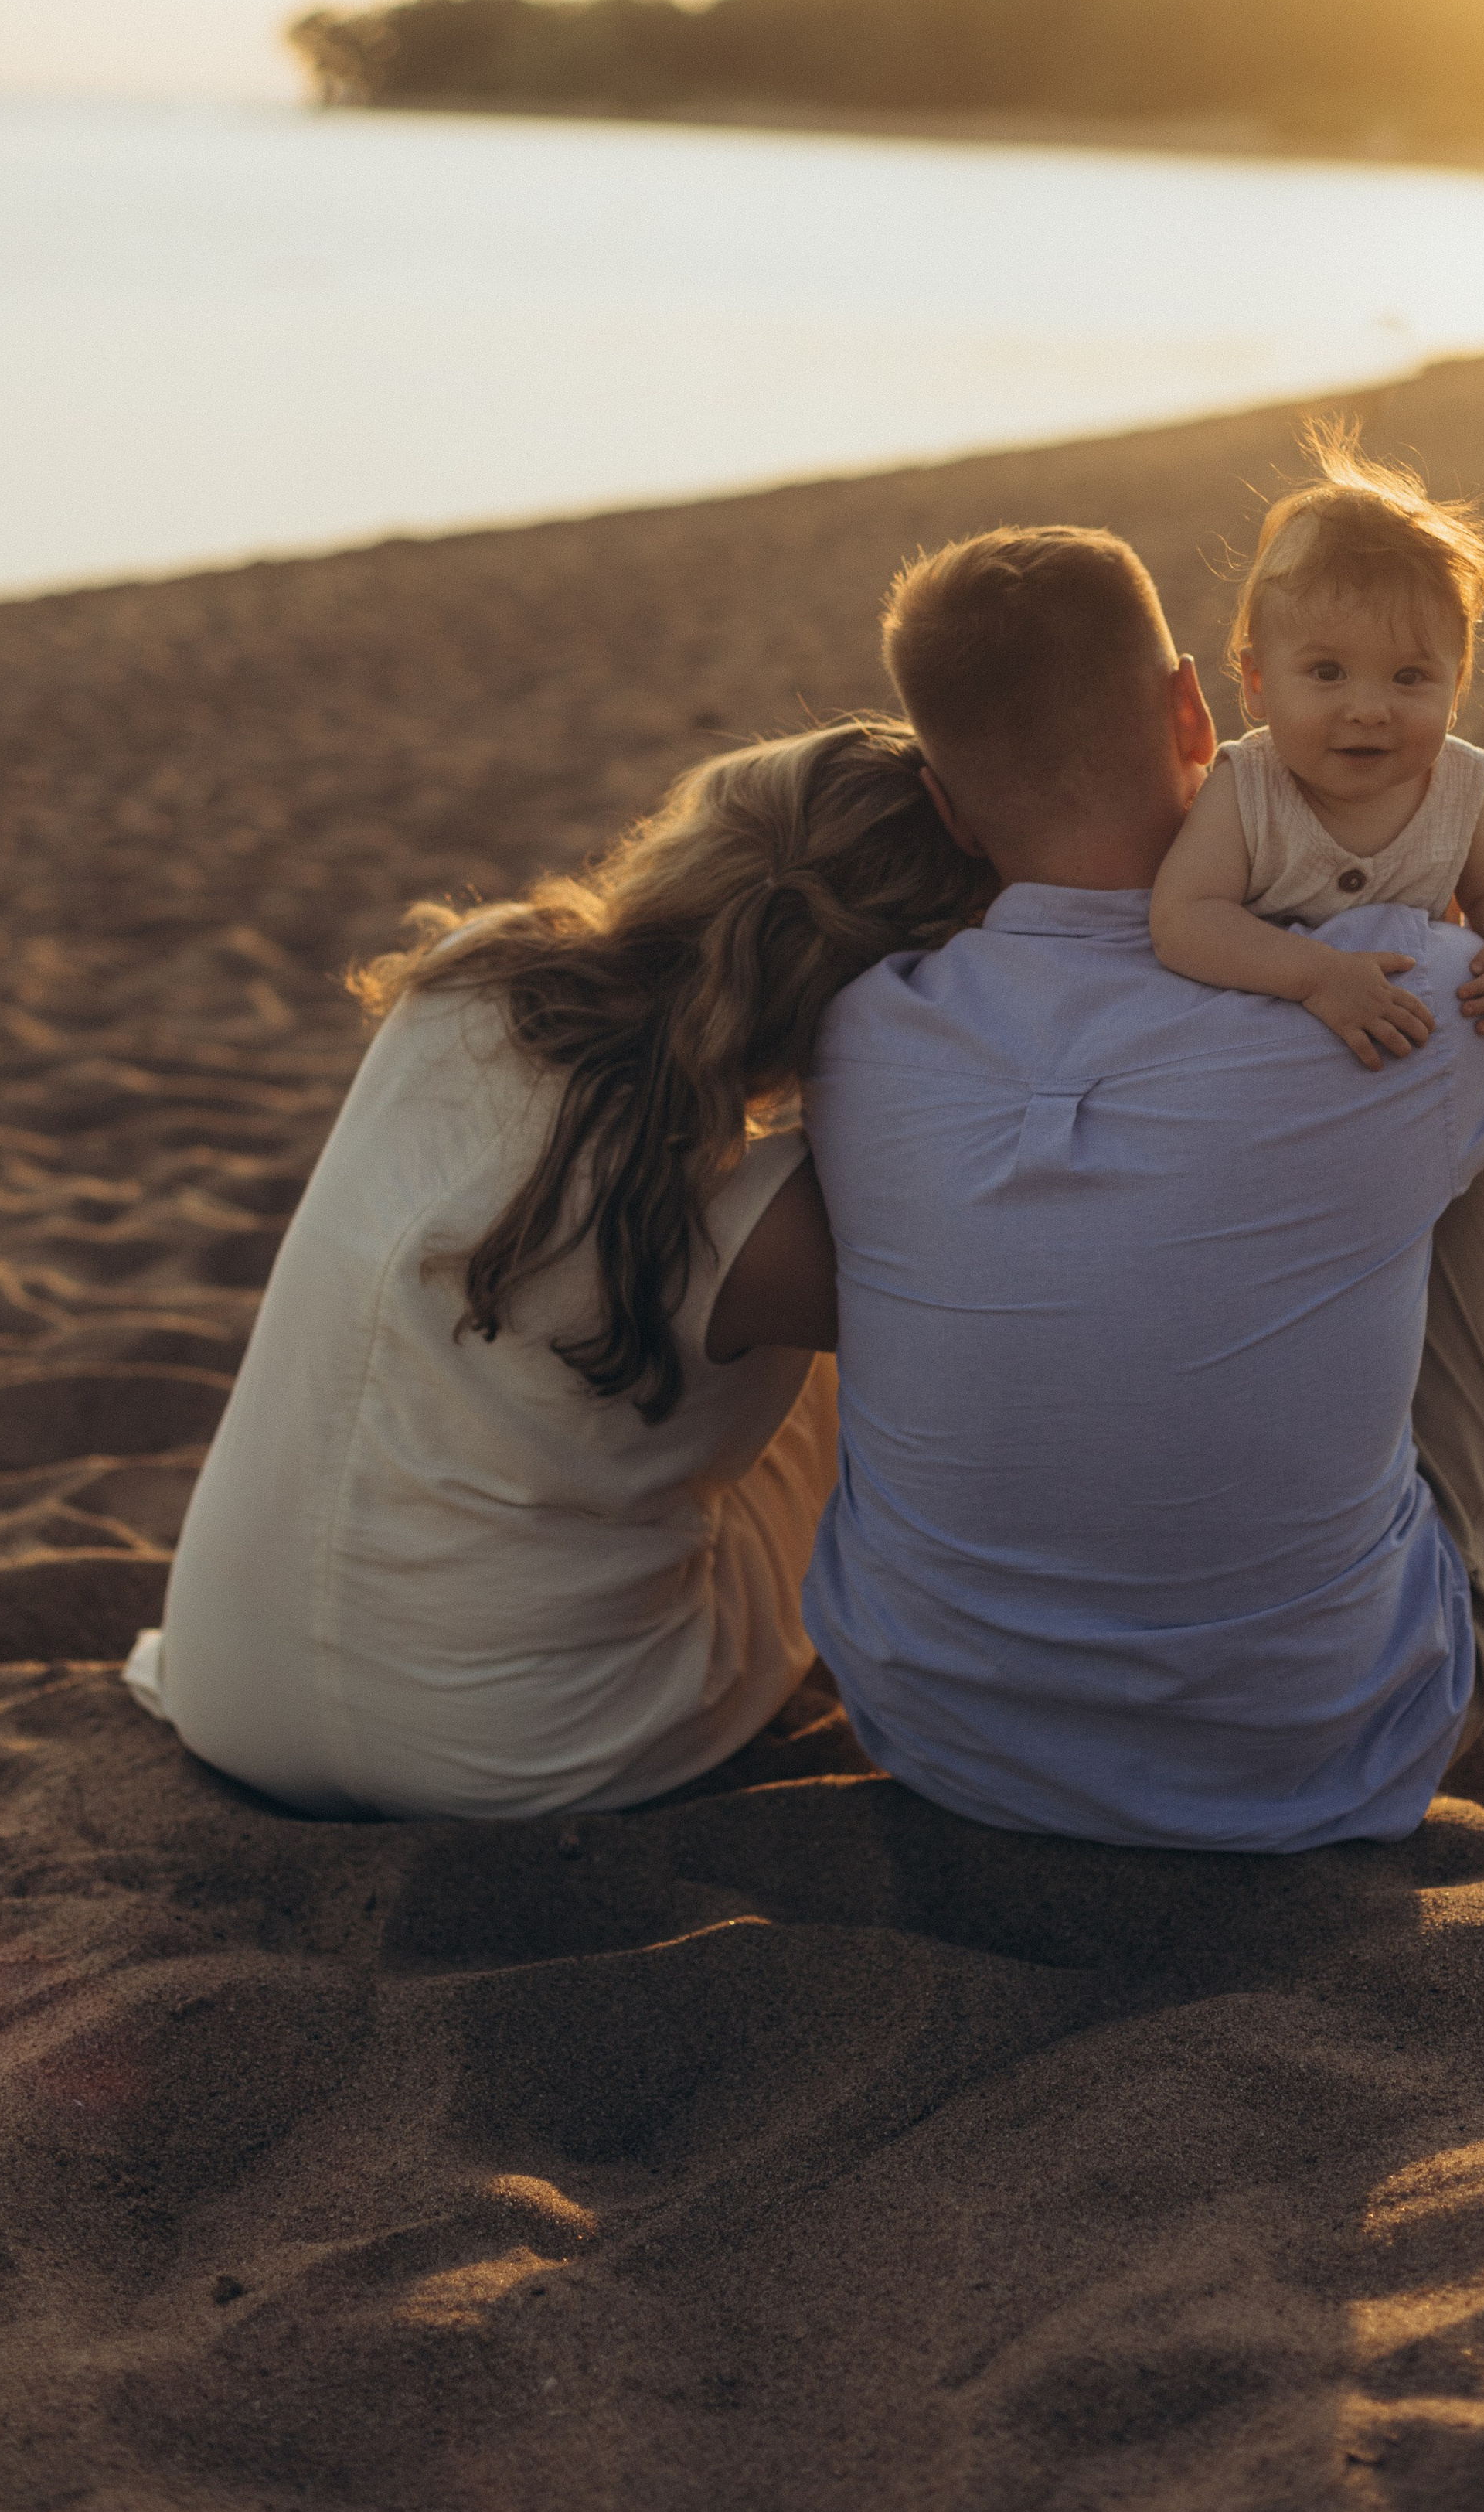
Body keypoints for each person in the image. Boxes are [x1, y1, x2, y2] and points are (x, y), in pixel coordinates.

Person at [799, 523, 1484, 1850]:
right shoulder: (1380, 993)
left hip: (936, 1743)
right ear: (1201, 709)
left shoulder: (860, 1034)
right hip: (1324, 1757)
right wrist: (1475, 940)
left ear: (950, 807)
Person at [122, 721, 986, 1820]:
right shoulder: (757, 1222)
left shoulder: (468, 972)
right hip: (525, 1746)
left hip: (227, 1691)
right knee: (853, 1340)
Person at [1149, 428, 1484, 1069]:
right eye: (1327, 673)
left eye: (1409, 677)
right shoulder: (1246, 788)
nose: (1369, 710)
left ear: (1457, 689)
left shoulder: (1461, 786)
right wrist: (1315, 975)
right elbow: (1183, 920)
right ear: (1258, 684)